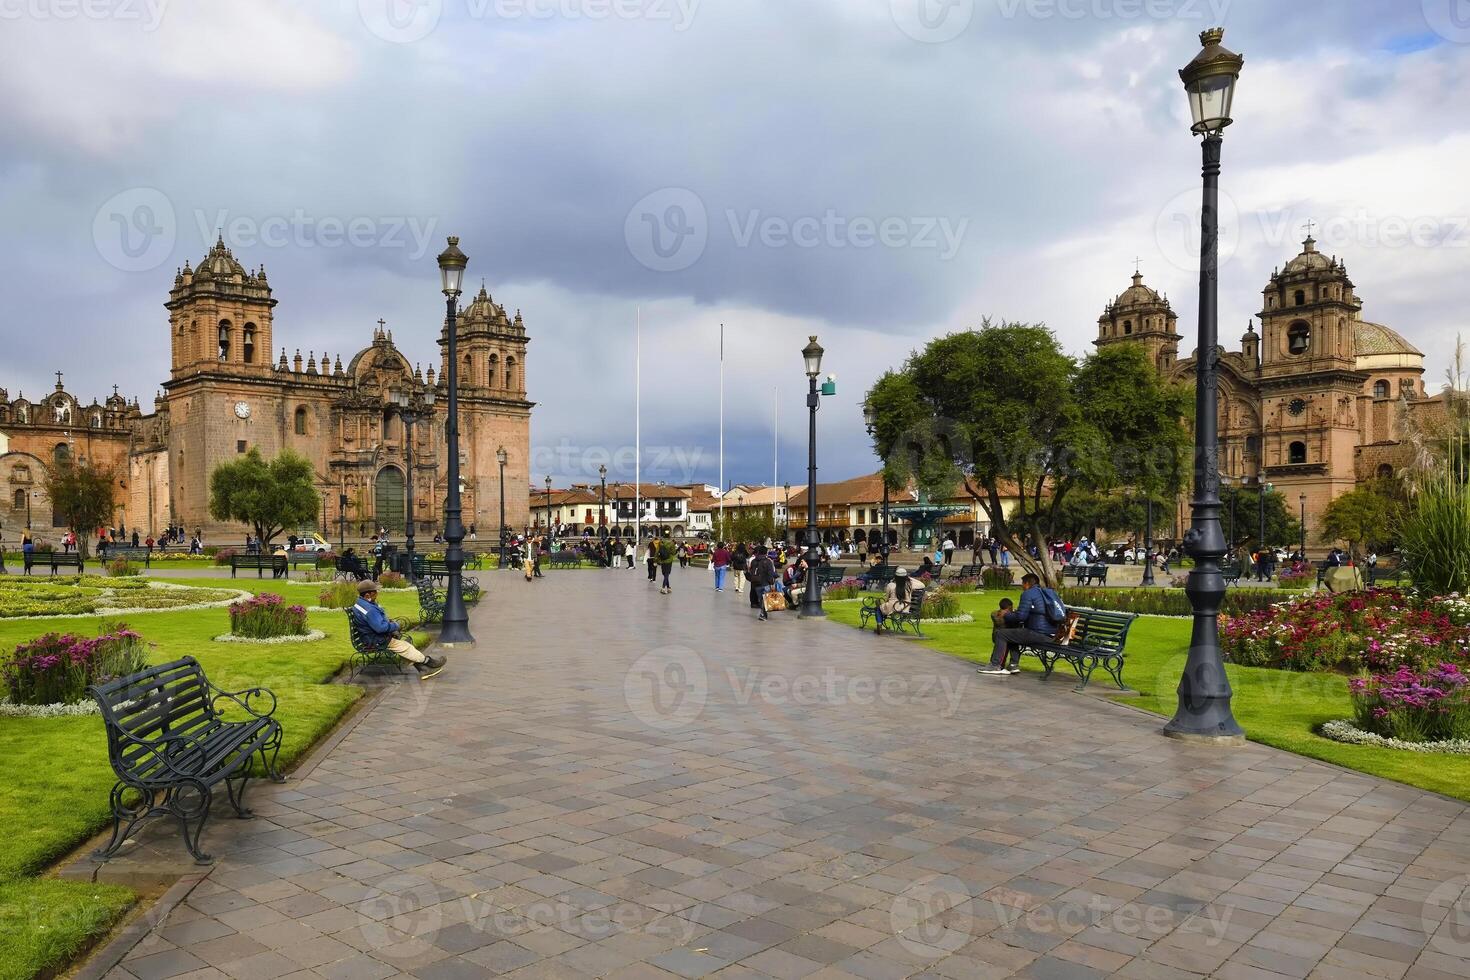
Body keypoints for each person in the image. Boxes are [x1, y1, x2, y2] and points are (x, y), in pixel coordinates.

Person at [351, 581, 446, 678]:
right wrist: (396, 625)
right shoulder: (369, 610)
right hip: (375, 640)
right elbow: (380, 628)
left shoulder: (361, 603)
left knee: (404, 645)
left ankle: (423, 669)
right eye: (375, 592)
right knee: (405, 646)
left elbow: (377, 623)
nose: (377, 593)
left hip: (369, 637)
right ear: (368, 595)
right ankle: (428, 662)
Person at [980, 573, 1064, 675]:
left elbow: (1021, 617)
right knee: (1013, 633)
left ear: (1027, 583)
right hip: (1051, 635)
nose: (1022, 586)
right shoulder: (1045, 593)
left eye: (1022, 584)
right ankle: (1013, 665)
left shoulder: (1028, 594)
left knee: (1001, 634)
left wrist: (1006, 614)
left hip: (1038, 634)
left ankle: (995, 665)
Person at [872, 568, 914, 635]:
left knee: (879, 608)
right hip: (905, 607)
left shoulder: (891, 585)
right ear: (906, 576)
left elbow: (886, 598)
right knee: (882, 608)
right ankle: (881, 623)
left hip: (892, 607)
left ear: (895, 576)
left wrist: (884, 603)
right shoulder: (909, 585)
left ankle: (879, 623)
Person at [749, 547, 778, 621]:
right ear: (766, 553)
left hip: (756, 584)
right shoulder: (768, 561)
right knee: (764, 600)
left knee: (761, 599)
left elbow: (751, 571)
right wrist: (772, 583)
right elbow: (770, 574)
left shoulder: (754, 561)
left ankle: (762, 613)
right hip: (765, 583)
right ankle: (763, 614)